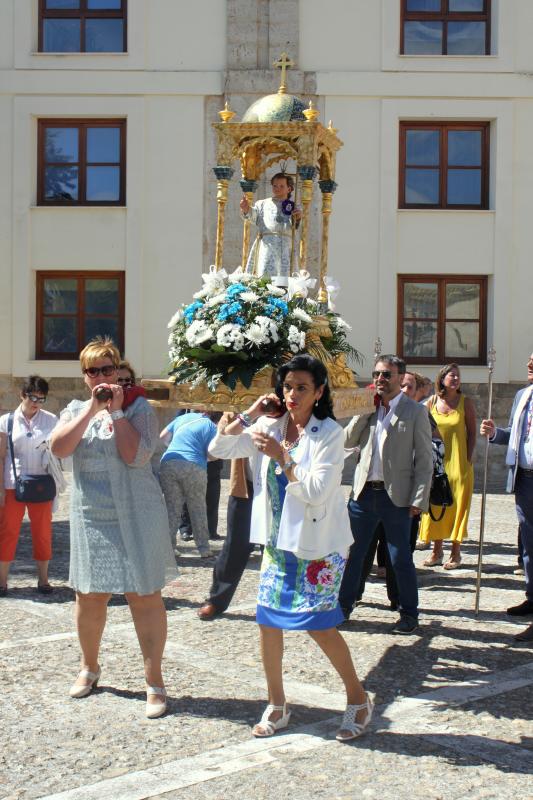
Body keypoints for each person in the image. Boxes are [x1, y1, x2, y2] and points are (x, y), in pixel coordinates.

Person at [208, 355, 373, 742]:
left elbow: (317, 492)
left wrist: (282, 457)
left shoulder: (330, 434)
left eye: (302, 387)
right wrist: (250, 413)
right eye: (287, 387)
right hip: (278, 544)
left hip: (317, 547)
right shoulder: (269, 425)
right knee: (267, 623)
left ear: (319, 392)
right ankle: (278, 704)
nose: (293, 394)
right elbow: (218, 447)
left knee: (319, 625)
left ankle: (358, 698)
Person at [51, 337, 176, 718]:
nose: (103, 376)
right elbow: (58, 448)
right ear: (85, 376)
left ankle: (154, 679)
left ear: (119, 370)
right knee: (89, 595)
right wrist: (93, 409)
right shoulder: (76, 409)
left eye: (108, 369)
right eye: (94, 371)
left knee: (144, 595)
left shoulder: (139, 409)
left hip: (138, 512)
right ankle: (89, 667)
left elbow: (135, 456)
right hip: (93, 514)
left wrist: (118, 413)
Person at [338, 355, 433, 635]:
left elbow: (425, 461)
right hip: (364, 494)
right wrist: (364, 410)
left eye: (386, 375)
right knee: (353, 555)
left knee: (398, 558)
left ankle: (408, 613)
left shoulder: (415, 412)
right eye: (377, 374)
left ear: (400, 378)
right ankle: (342, 607)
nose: (380, 379)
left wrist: (419, 498)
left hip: (397, 499)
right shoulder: (368, 407)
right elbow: (347, 441)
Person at [480, 351, 533, 642]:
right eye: (528, 359)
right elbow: (515, 434)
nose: (528, 364)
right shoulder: (522, 395)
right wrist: (494, 433)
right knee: (528, 544)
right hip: (525, 478)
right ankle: (532, 596)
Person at [0, 376, 58, 596]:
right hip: (12, 483)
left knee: (42, 532)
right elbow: (1, 455)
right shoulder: (6, 421)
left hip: (42, 483)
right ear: (22, 395)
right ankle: (2, 581)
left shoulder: (51, 420)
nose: (37, 403)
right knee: (7, 532)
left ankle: (43, 580)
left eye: (41, 399)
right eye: (33, 397)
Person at [419, 364, 476, 569]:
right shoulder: (431, 403)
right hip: (437, 463)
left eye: (458, 376)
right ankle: (436, 551)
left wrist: (467, 459)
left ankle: (456, 552)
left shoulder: (465, 403)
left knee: (458, 506)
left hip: (459, 464)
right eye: (452, 375)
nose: (455, 379)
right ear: (442, 379)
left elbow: (472, 432)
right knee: (436, 503)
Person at [198, 453, 255, 620]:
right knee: (235, 544)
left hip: (283, 485)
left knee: (289, 546)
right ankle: (217, 599)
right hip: (246, 485)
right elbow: (219, 448)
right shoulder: (243, 424)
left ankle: (322, 605)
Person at [159, 410, 217, 558]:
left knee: (172, 508)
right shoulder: (211, 426)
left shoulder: (182, 418)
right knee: (197, 507)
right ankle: (204, 549)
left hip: (169, 462)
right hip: (194, 466)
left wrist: (174, 449)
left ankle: (167, 548)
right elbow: (212, 453)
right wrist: (206, 459)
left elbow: (162, 437)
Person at [240, 172, 302, 278]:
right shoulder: (262, 204)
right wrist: (246, 209)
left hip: (285, 246)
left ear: (289, 189)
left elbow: (295, 226)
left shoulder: (294, 206)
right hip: (266, 245)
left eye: (282, 186)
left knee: (284, 276)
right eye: (275, 185)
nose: (277, 188)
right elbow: (253, 217)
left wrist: (298, 217)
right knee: (264, 273)